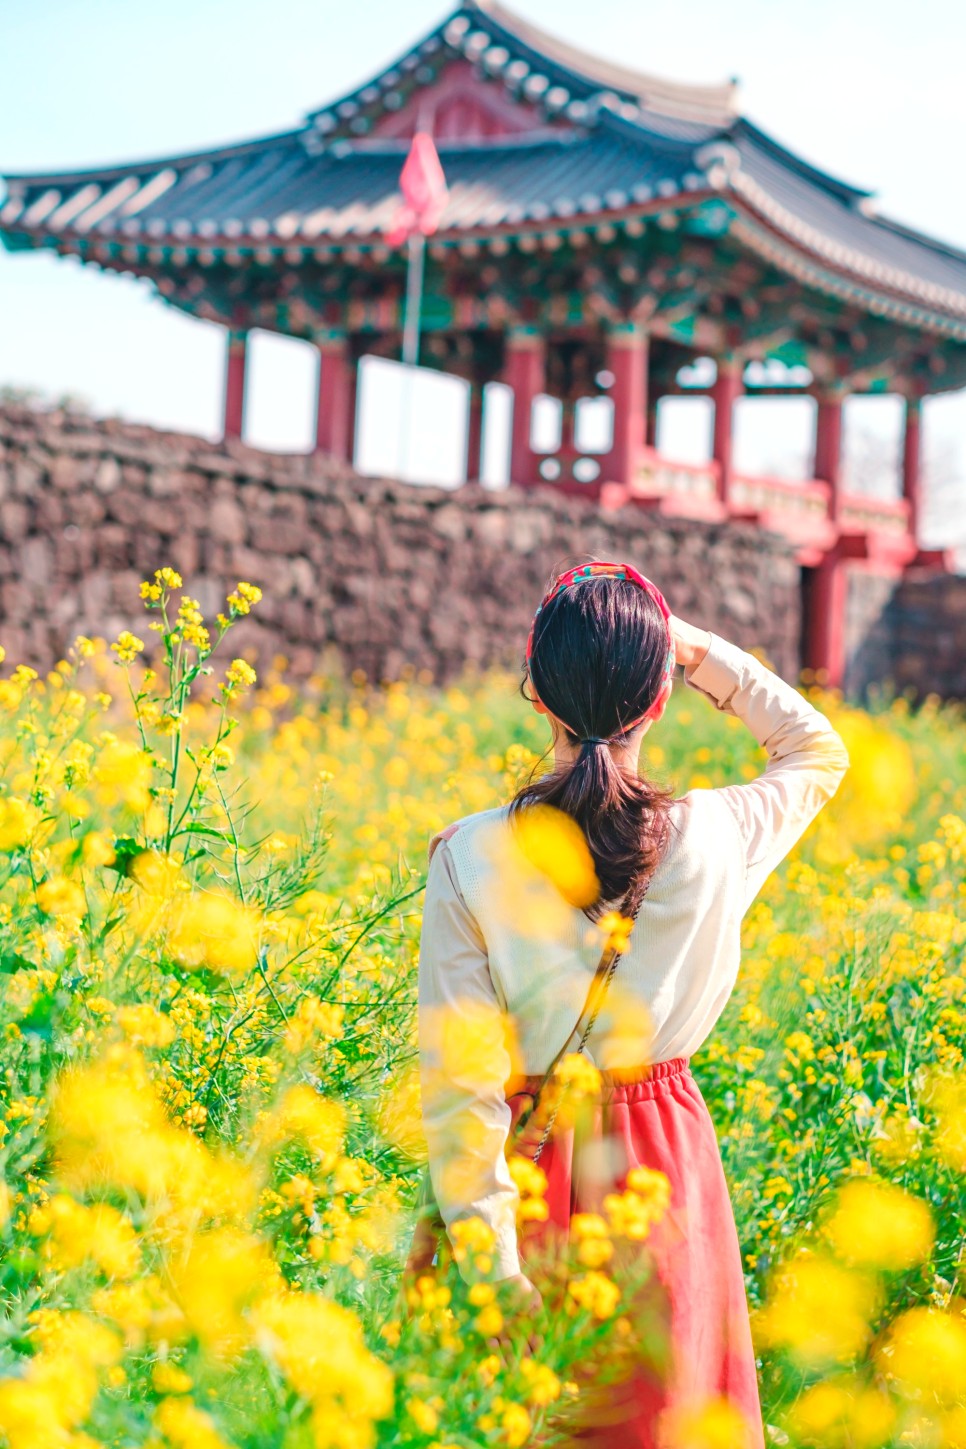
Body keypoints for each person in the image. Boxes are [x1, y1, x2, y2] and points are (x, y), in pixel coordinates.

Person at [417, 560, 849, 1446]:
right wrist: (695, 652)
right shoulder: (717, 836)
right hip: (660, 1172)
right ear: (658, 701)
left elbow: (457, 1086)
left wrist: (493, 1271)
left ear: (533, 693)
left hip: (516, 1174)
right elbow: (816, 750)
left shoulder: (467, 855)